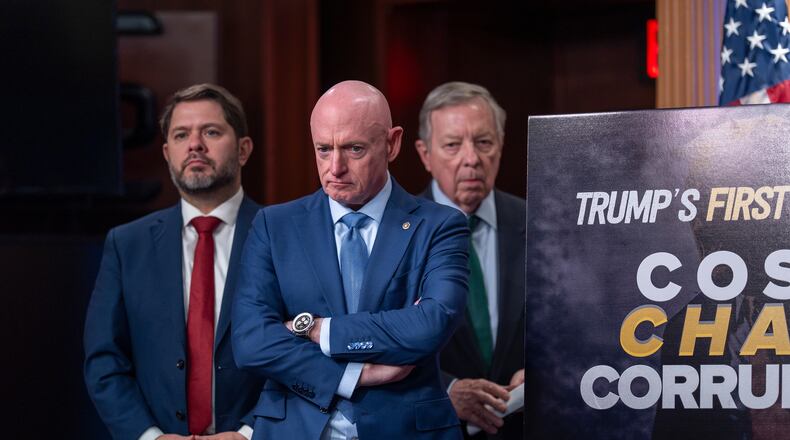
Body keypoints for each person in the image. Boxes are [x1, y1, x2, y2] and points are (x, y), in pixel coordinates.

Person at [231, 80, 469, 440]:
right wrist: (352, 375)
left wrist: (315, 329)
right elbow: (250, 341)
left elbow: (431, 323)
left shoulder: (440, 225)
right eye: (323, 149)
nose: (335, 167)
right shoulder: (274, 226)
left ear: (392, 144)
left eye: (354, 149)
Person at [84, 83, 264, 440]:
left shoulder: (282, 237)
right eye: (182, 135)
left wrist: (249, 433)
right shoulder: (126, 244)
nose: (195, 144)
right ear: (168, 153)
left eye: (211, 132)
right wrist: (149, 437)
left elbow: (301, 356)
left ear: (243, 150)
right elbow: (104, 362)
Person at [415, 81, 525, 439]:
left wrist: (544, 370)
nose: (471, 159)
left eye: (483, 142)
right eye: (452, 145)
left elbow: (571, 322)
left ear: (501, 146)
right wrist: (446, 390)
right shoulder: (394, 233)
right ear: (424, 154)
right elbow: (372, 348)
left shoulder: (539, 222)